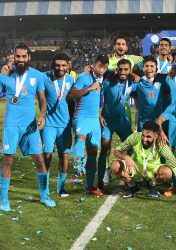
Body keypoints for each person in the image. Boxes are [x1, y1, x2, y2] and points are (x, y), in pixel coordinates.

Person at [0, 44, 55, 211]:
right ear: (13, 57)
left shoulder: (37, 76)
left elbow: (42, 99)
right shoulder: (5, 75)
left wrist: (43, 116)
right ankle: (3, 200)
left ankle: (44, 195)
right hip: (11, 125)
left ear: (29, 57)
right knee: (8, 160)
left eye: (24, 56)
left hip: (30, 125)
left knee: (39, 159)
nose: (21, 60)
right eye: (18, 56)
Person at [110, 121, 176, 209]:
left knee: (168, 173)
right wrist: (126, 157)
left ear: (156, 136)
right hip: (134, 168)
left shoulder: (162, 145)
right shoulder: (135, 137)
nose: (144, 139)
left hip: (153, 171)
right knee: (115, 166)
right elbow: (117, 151)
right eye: (143, 135)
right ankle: (131, 185)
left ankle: (151, 184)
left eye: (148, 137)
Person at [69, 54, 109, 196]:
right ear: (93, 64)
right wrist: (90, 88)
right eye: (99, 66)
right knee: (80, 138)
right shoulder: (84, 77)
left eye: (104, 67)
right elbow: (72, 93)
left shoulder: (102, 78)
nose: (101, 70)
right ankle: (78, 162)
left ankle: (89, 186)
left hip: (94, 120)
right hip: (81, 116)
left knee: (92, 152)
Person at [98, 59, 136, 186]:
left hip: (123, 121)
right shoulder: (108, 82)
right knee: (105, 145)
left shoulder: (133, 82)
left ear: (130, 70)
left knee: (130, 146)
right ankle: (105, 170)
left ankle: (129, 171)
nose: (123, 72)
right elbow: (98, 97)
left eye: (126, 69)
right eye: (120, 69)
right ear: (117, 70)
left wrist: (136, 75)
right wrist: (100, 113)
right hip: (108, 121)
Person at [41, 53, 74, 197]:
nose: (60, 68)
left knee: (64, 156)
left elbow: (72, 102)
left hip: (65, 125)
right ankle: (45, 188)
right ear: (53, 65)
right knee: (46, 155)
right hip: (48, 124)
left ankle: (61, 188)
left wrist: (73, 121)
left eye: (63, 65)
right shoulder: (44, 77)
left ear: (68, 66)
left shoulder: (71, 80)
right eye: (57, 65)